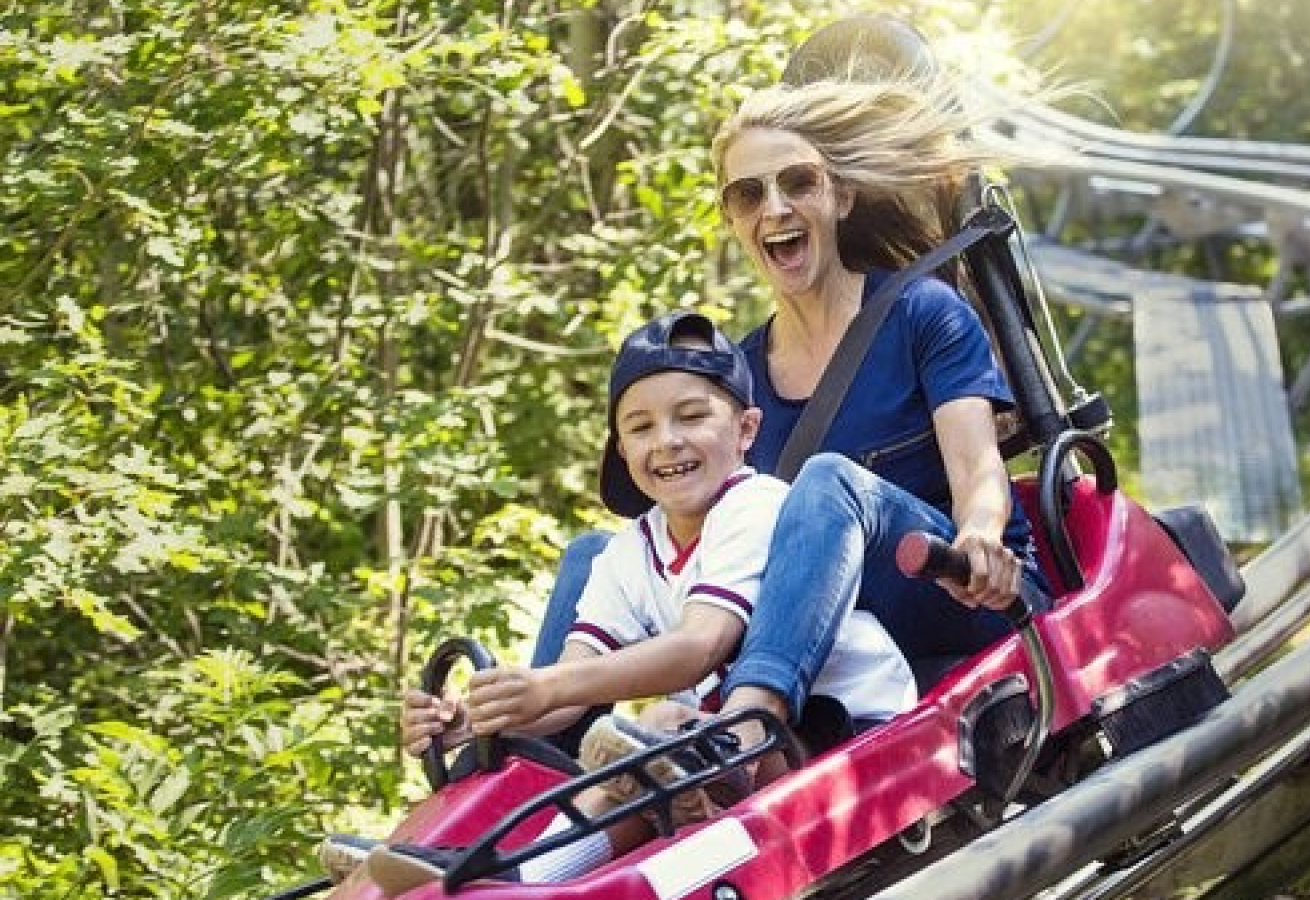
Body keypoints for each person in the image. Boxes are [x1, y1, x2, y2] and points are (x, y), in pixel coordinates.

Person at [532, 73, 1048, 773]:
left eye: (797, 182)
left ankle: (748, 730)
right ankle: (515, 770)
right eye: (748, 193)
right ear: (732, 217)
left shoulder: (922, 314)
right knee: (596, 552)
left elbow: (978, 471)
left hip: (959, 592)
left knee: (829, 480)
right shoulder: (737, 375)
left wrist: (981, 537)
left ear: (839, 196)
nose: (774, 206)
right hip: (824, 632)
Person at [330, 310, 916, 893]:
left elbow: (698, 645)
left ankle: (524, 875)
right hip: (726, 738)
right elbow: (571, 679)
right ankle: (507, 870)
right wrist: (479, 717)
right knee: (642, 758)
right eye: (640, 427)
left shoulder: (756, 505)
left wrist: (548, 689)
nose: (667, 441)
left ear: (745, 431)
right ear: (621, 449)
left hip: (843, 727)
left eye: (692, 416)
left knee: (653, 733)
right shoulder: (631, 551)